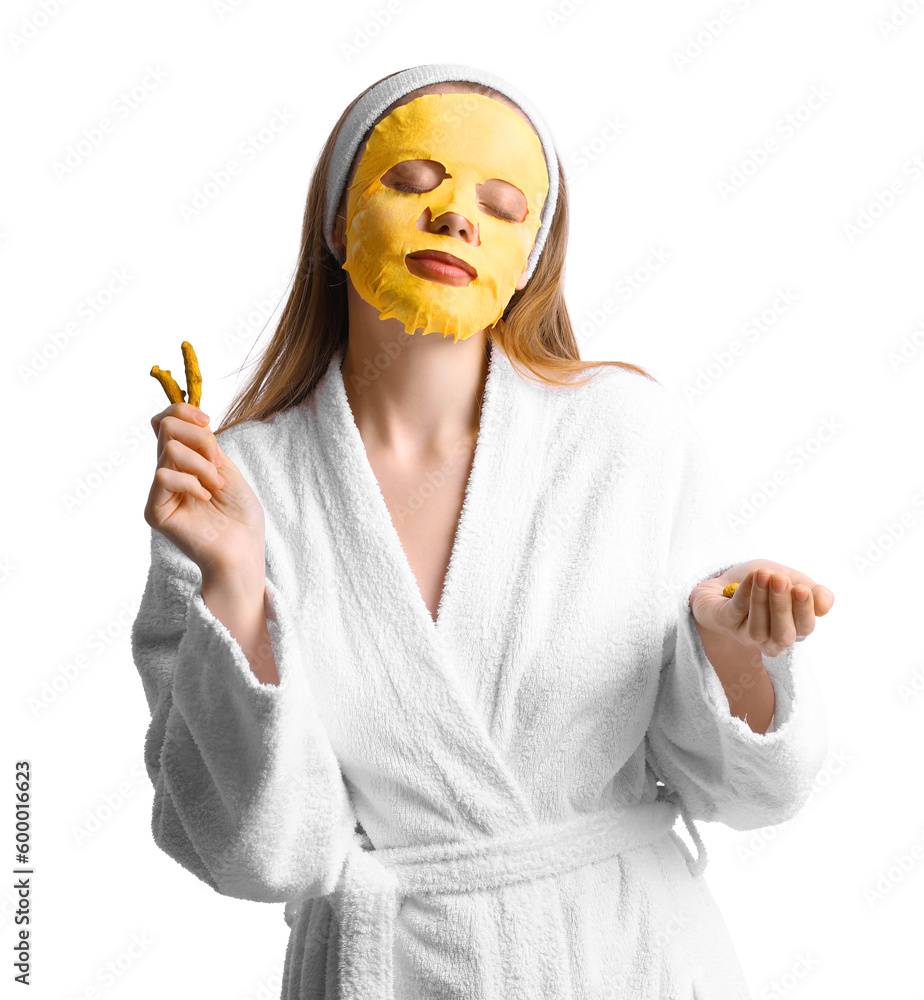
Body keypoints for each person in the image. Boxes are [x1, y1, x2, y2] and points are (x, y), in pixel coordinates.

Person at [131, 63, 834, 1000]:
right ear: (339, 222)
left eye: (502, 207)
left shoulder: (625, 437)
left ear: (529, 262)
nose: (457, 216)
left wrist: (732, 653)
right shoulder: (237, 488)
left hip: (628, 962)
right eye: (414, 183)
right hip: (390, 969)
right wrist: (237, 587)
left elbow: (752, 793)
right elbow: (259, 856)